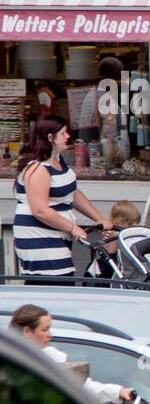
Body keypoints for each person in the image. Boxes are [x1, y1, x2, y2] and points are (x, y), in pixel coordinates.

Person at [13, 115, 110, 282]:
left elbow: (72, 192)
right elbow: (40, 210)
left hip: (57, 234)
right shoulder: (38, 168)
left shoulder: (57, 160)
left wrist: (98, 218)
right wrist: (72, 228)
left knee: (62, 281)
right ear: (50, 138)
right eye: (63, 133)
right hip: (39, 237)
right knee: (56, 281)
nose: (68, 136)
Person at [9, 304, 133, 404]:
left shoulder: (51, 357)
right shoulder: (7, 359)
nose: (50, 335)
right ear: (27, 331)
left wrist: (118, 392)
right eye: (44, 330)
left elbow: (82, 387)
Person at [85, 198, 139, 279]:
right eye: (127, 223)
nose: (129, 226)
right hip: (111, 262)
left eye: (131, 224)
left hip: (124, 262)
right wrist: (114, 238)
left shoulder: (129, 233)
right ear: (117, 220)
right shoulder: (112, 233)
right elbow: (110, 254)